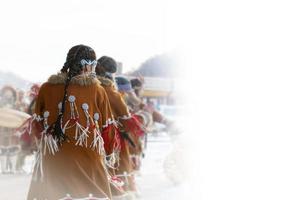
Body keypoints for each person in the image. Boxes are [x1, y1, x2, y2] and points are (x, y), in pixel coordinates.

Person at [26, 45, 117, 200]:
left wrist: (46, 144)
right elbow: (107, 129)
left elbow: (36, 125)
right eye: (93, 65)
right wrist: (108, 155)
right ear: (87, 65)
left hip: (53, 160)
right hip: (88, 158)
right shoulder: (97, 90)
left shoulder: (46, 88)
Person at [96, 56, 144, 197]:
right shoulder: (111, 92)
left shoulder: (87, 88)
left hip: (87, 137)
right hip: (112, 139)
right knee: (119, 169)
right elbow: (127, 122)